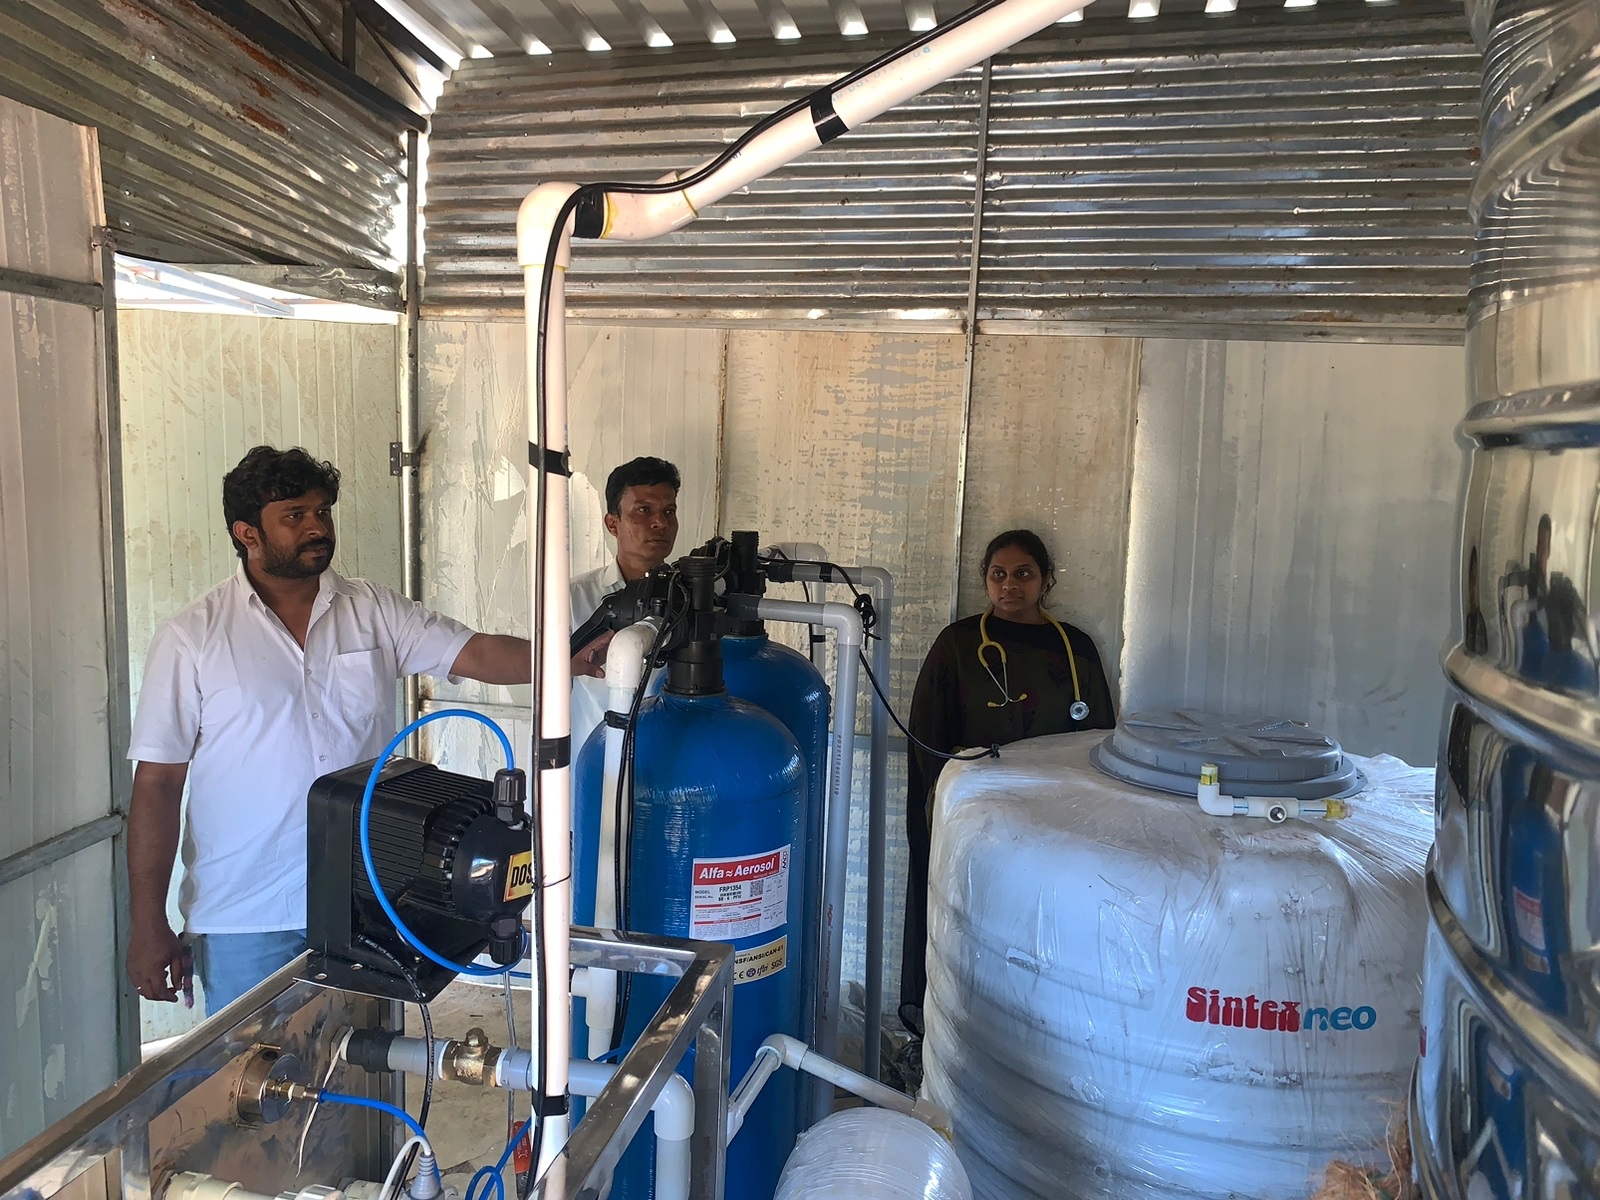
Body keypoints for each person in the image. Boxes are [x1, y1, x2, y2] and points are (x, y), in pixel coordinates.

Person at [125, 446, 535, 1014]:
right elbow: (158, 784)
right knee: (256, 1069)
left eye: (322, 511)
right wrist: (148, 923)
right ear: (247, 533)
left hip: (365, 902)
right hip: (248, 915)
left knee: (368, 1061)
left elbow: (479, 652)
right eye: (294, 515)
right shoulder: (192, 637)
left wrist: (571, 657)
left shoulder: (373, 609)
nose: (317, 527)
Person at [899, 529, 1116, 1035]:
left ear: (1046, 581)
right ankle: (951, 1030)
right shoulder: (958, 645)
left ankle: (1039, 1036)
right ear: (985, 580)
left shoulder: (1075, 648)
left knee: (1039, 927)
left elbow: (1100, 738)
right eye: (998, 574)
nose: (1009, 585)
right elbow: (928, 739)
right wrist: (939, 810)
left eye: (1023, 574)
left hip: (1054, 822)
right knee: (971, 922)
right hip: (976, 820)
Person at [569, 456, 681, 756]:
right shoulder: (572, 600)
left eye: (669, 511)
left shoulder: (691, 599)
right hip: (597, 767)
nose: (660, 523)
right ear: (612, 524)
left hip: (671, 765)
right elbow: (546, 694)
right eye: (643, 510)